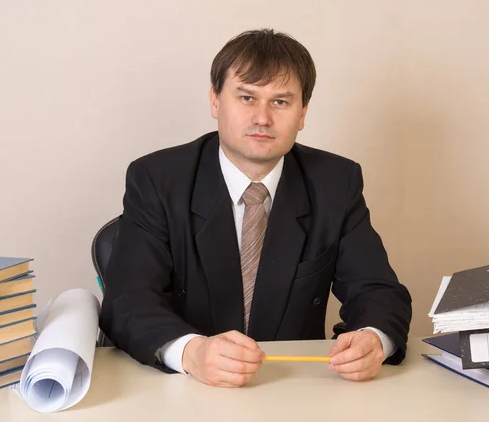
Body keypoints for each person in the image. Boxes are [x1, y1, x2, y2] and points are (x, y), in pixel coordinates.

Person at [99, 29, 412, 388]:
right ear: (215, 101)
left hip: (293, 387)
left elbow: (379, 290)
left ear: (303, 112)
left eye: (280, 102)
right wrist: (190, 352)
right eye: (247, 97)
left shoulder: (335, 182)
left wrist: (374, 338)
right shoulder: (157, 179)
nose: (262, 118)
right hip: (182, 388)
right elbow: (127, 301)